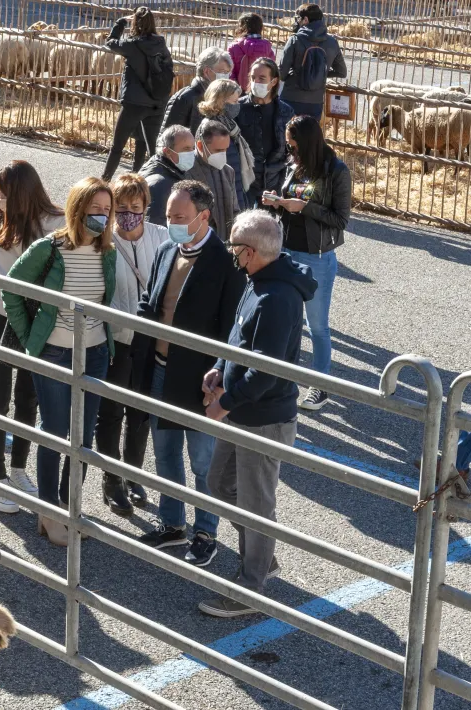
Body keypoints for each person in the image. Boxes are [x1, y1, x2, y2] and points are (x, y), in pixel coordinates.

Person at [198, 209, 316, 617]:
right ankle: (261, 560)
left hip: (263, 418)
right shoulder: (258, 281)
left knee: (255, 502)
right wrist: (219, 365)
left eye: (234, 247)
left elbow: (264, 371)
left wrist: (222, 404)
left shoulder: (277, 297)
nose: (231, 253)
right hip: (244, 413)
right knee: (220, 484)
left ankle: (252, 588)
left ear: (249, 253)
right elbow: (238, 337)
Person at [129, 180, 244, 565]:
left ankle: (205, 532)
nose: (172, 223)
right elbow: (151, 303)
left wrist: (222, 375)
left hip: (201, 378)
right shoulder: (165, 250)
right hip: (162, 371)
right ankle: (172, 524)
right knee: (164, 454)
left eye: (180, 217)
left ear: (204, 217)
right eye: (168, 216)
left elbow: (233, 326)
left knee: (202, 462)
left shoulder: (226, 262)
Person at [3, 177, 115, 546]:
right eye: (94, 208)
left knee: (83, 438)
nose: (101, 215)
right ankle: (48, 510)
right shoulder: (49, 248)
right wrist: (30, 337)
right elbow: (12, 287)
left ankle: (71, 507)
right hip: (54, 351)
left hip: (96, 352)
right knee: (55, 431)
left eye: (106, 209)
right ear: (77, 209)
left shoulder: (107, 251)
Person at [0, 160, 63, 514]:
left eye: (4, 194)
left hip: (40, 325)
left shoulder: (57, 224)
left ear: (23, 194)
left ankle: (19, 469)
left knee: (28, 398)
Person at [263, 114, 350, 410]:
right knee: (289, 321)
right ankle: (286, 379)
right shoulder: (294, 166)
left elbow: (341, 219)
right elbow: (290, 202)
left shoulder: (336, 171)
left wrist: (306, 208)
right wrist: (278, 202)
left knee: (318, 327)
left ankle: (321, 386)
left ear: (308, 142)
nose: (290, 151)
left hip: (318, 258)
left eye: (294, 145)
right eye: (289, 146)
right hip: (287, 251)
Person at [97, 172, 168, 515]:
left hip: (150, 344)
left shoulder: (162, 238)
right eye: (120, 207)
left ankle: (133, 474)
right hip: (115, 341)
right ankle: (111, 479)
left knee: (139, 415)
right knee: (110, 413)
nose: (128, 213)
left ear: (146, 206)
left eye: (135, 206)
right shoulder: (104, 242)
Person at [101, 6, 172, 180]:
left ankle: (104, 181)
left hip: (134, 102)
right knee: (148, 146)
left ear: (135, 23)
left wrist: (120, 23)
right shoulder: (160, 43)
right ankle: (139, 182)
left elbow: (110, 42)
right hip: (157, 102)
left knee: (117, 146)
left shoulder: (132, 44)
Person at [237, 58, 295, 209]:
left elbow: (291, 147)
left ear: (274, 81)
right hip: (246, 180)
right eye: (253, 78)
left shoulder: (286, 111)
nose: (256, 82)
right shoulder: (238, 109)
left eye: (262, 78)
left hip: (274, 180)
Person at [278, 3, 346, 119]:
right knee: (310, 135)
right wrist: (320, 73)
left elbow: (282, 74)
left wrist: (298, 72)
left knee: (286, 134)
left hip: (291, 98)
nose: (296, 22)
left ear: (305, 19)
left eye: (298, 18)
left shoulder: (295, 40)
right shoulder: (332, 42)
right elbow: (342, 72)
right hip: (315, 101)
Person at [198, 78, 254, 209]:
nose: (237, 105)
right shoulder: (212, 127)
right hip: (223, 193)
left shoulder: (229, 124)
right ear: (220, 101)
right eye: (234, 101)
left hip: (234, 187)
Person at [162, 47, 231, 137]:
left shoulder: (225, 97)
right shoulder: (185, 98)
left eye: (227, 73)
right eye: (222, 72)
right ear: (206, 71)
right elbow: (168, 139)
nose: (225, 77)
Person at [187, 119, 240, 237]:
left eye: (226, 149)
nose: (223, 154)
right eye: (218, 150)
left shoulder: (228, 171)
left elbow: (235, 211)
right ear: (200, 146)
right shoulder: (187, 172)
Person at [139, 124, 194, 227]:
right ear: (168, 151)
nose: (192, 153)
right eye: (186, 149)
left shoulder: (171, 170)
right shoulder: (161, 184)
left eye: (192, 148)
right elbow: (155, 228)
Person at [228, 13, 274, 93]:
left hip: (238, 91)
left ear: (242, 27)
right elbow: (272, 70)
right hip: (261, 91)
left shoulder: (234, 47)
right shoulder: (268, 48)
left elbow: (229, 71)